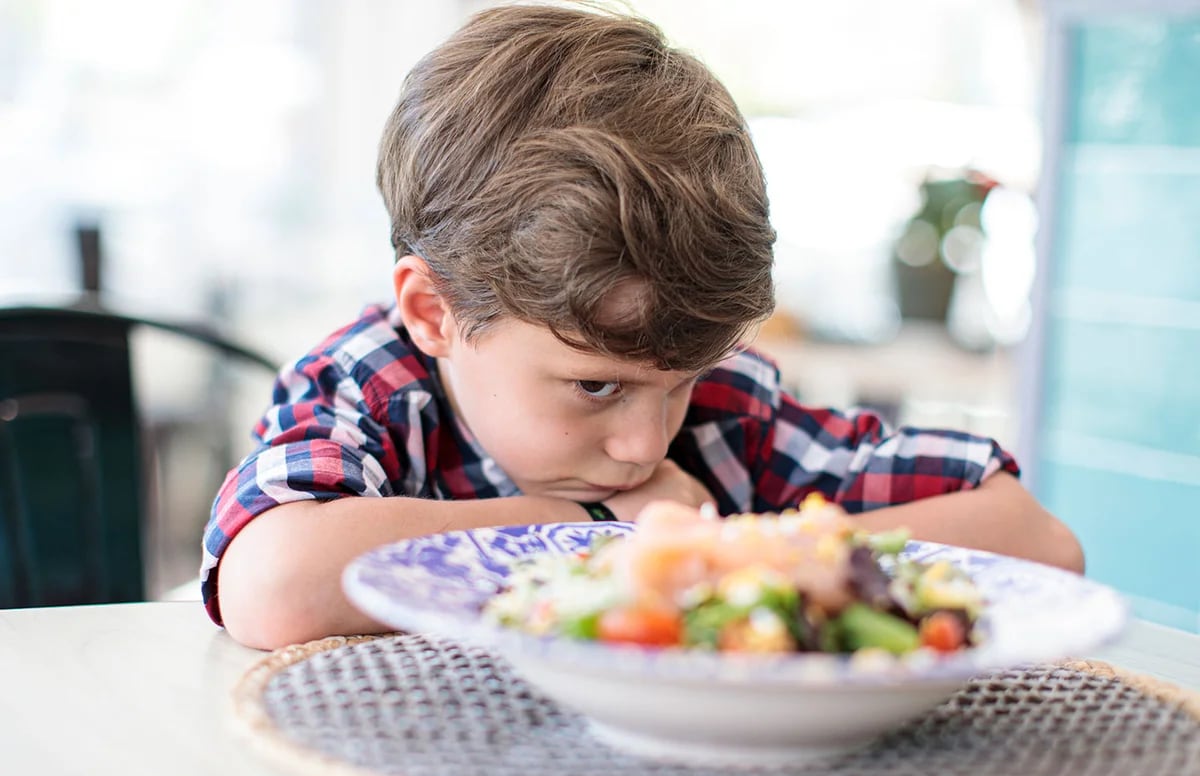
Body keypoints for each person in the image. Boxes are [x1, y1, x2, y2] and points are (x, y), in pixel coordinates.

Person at [203, 3, 1083, 650]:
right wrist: (592, 528)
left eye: (678, 385)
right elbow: (273, 585)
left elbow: (1038, 542)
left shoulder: (724, 411)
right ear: (435, 312)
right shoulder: (374, 383)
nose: (643, 443)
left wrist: (734, 553)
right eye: (596, 386)